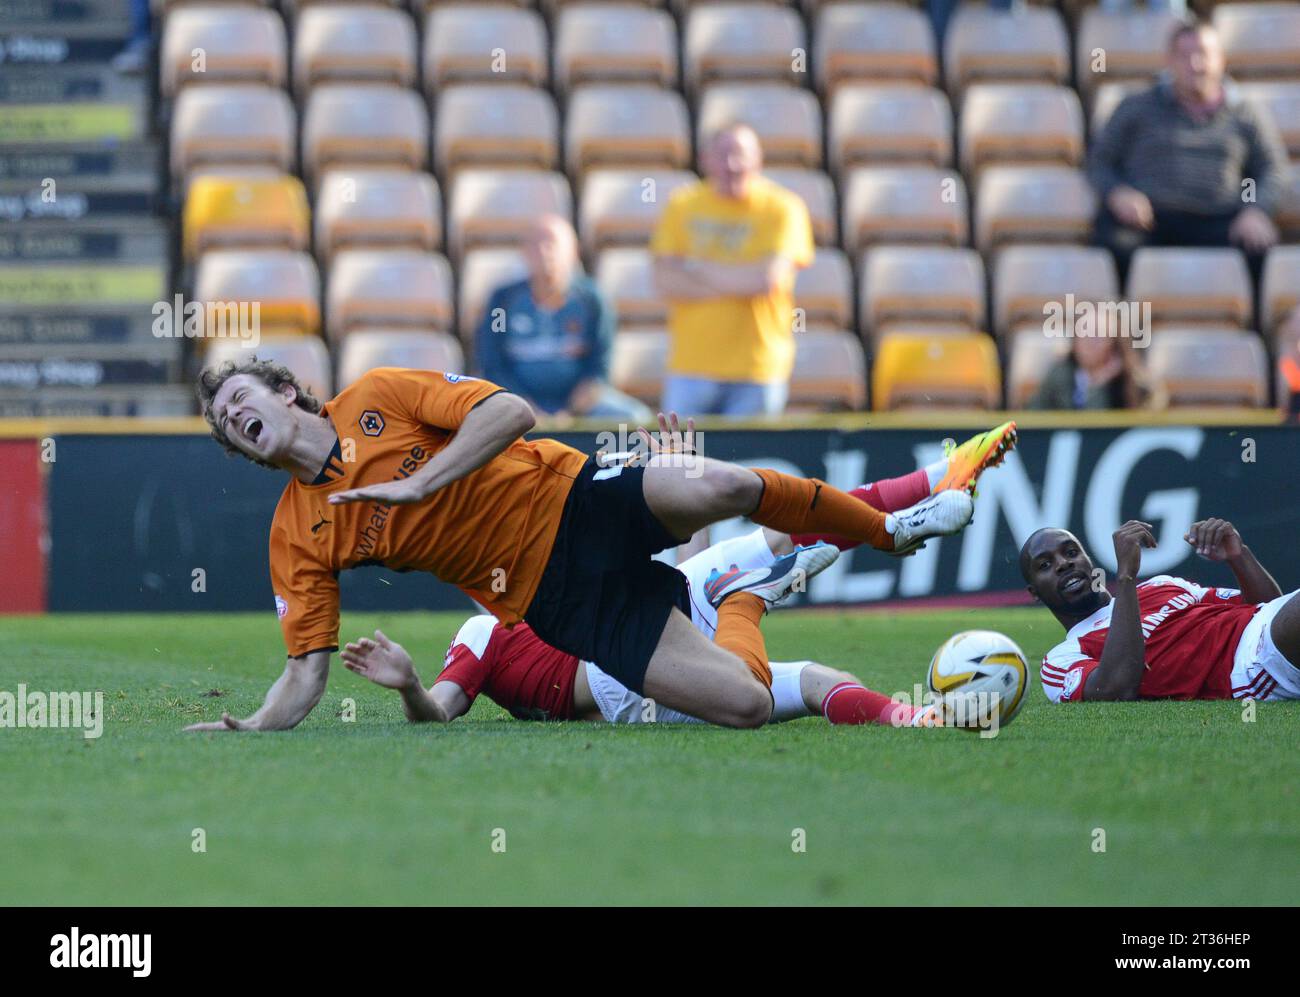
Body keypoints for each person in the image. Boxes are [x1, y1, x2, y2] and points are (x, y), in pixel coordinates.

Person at [186, 360, 987, 733]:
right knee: (744, 706)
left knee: (723, 487)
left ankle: (888, 528)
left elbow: (511, 412)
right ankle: (750, 596)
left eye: (237, 399)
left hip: (576, 496)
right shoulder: (296, 534)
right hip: (555, 600)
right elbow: (305, 671)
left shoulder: (378, 396)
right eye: (224, 423)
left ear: (284, 389)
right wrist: (254, 726)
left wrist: (422, 484)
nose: (234, 417)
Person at [340, 422, 1021, 729]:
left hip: (650, 648)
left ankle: (917, 719)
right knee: (765, 553)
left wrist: (668, 479)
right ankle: (747, 597)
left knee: (810, 671)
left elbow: (645, 584)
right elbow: (441, 713)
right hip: (621, 675)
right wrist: (409, 686)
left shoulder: (550, 588)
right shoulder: (480, 631)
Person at [1088, 21, 1289, 288]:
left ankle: (1247, 327)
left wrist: (1256, 209)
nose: (1196, 64)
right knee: (1113, 245)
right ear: (1168, 61)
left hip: (1222, 220)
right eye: (1185, 56)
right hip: (1149, 221)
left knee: (1259, 248)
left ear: (1221, 60)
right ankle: (1125, 326)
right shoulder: (1135, 107)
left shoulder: (1246, 114)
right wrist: (1118, 193)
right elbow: (1099, 160)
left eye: (1204, 54)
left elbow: (1272, 168)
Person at [1020, 519, 1300, 703]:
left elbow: (1267, 606)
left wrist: (1239, 556)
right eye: (1045, 565)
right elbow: (1115, 690)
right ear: (1034, 593)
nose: (1063, 564)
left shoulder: (1162, 585)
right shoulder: (1061, 658)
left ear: (1087, 559)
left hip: (1269, 630)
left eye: (1071, 552)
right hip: (1251, 663)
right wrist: (1127, 575)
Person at [651, 123, 814, 417]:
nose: (732, 165)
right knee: (680, 460)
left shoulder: (783, 208)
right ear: (705, 160)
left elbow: (767, 280)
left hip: (757, 368)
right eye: (723, 154)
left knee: (747, 460)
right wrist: (741, 280)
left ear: (759, 159)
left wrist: (695, 267)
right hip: (691, 367)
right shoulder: (682, 205)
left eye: (740, 154)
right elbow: (664, 281)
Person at [475, 214, 649, 423]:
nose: (544, 252)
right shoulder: (502, 302)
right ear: (524, 253)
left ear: (573, 252)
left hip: (581, 408)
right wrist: (526, 407)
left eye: (552, 244)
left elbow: (600, 365)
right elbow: (493, 364)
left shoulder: (593, 301)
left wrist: (570, 412)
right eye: (536, 244)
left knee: (635, 418)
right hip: (516, 406)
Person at [1029, 320, 1148, 410]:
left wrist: (1100, 384)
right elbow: (1033, 415)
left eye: (1098, 335)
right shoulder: (1058, 374)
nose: (1089, 342)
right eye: (1083, 333)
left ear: (1114, 343)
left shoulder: (1129, 384)